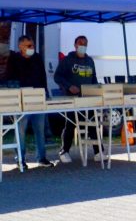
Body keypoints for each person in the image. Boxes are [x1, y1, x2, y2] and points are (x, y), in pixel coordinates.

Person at [6, 35, 54, 169]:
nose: (32, 48)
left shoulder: (37, 58)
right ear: (20, 46)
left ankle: (42, 157)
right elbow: (10, 78)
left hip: (38, 98)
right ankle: (20, 158)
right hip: (21, 100)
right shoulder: (14, 59)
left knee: (40, 129)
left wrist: (46, 93)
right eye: (29, 46)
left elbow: (43, 76)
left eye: (32, 45)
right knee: (20, 130)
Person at [54, 35, 100, 164]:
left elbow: (94, 78)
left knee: (92, 124)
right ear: (75, 45)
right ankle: (64, 151)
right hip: (72, 98)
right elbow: (57, 76)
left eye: (85, 44)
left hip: (88, 98)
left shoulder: (90, 61)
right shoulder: (67, 60)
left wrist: (97, 91)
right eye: (80, 43)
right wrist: (69, 86)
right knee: (70, 124)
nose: (83, 46)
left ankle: (98, 151)